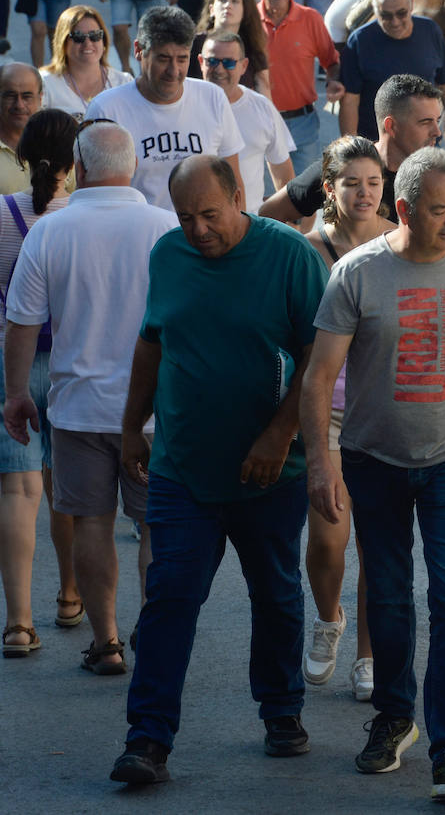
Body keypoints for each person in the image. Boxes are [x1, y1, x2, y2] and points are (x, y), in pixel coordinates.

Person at [109, 155, 328, 785]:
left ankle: (282, 710)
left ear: (239, 195)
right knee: (169, 596)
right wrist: (132, 426)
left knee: (276, 592)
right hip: (182, 468)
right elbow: (153, 342)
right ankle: (147, 739)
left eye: (210, 214)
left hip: (269, 474)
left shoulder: (289, 255)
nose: (198, 229)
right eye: (186, 217)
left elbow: (320, 358)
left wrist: (278, 435)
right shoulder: (168, 255)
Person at [302, 146, 445, 802]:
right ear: (404, 209)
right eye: (439, 210)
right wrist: (321, 465)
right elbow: (318, 378)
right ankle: (393, 718)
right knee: (387, 596)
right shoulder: (357, 274)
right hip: (373, 461)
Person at [2, 119, 177, 667]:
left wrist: (14, 395)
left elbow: (22, 324)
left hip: (77, 409)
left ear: (77, 168)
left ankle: (106, 642)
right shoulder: (164, 228)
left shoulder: (49, 232)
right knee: (153, 526)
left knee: (94, 522)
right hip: (151, 413)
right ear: (133, 167)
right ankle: (156, 640)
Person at [299, 134, 393, 702]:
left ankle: (368, 653)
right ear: (330, 188)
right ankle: (328, 617)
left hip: (386, 412)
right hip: (329, 413)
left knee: (377, 547)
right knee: (329, 539)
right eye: (352, 183)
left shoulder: (400, 243)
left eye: (374, 183)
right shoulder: (306, 249)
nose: (364, 193)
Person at [0, 109, 72, 659]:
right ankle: (74, 596)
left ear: (21, 158)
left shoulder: (3, 215)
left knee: (19, 492)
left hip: (13, 365)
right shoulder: (83, 218)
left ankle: (19, 623)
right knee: (71, 488)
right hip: (76, 364)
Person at [84, 5, 246, 213]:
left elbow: (233, 181)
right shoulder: (106, 110)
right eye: (163, 58)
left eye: (182, 59)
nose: (174, 71)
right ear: (138, 51)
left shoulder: (212, 97)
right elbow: (95, 198)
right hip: (139, 240)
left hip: (204, 241)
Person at [260, 73, 439, 227]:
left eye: (437, 121)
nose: (437, 132)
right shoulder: (346, 165)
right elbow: (270, 212)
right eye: (425, 122)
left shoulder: (441, 176)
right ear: (391, 126)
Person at [339, 0, 445, 165]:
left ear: (412, 5)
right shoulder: (359, 41)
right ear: (375, 11)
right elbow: (350, 101)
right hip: (378, 152)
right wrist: (350, 148)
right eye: (386, 16)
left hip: (426, 147)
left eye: (401, 13)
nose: (395, 22)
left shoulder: (430, 31)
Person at [256, 0, 343, 173]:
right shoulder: (247, 21)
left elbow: (331, 61)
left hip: (302, 124)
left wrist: (332, 81)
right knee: (258, 199)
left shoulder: (310, 19)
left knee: (304, 198)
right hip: (258, 122)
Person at [198, 30, 293, 211]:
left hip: (249, 225)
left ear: (243, 66)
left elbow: (282, 171)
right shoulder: (184, 105)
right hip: (195, 226)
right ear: (201, 62)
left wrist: (292, 217)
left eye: (228, 63)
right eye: (212, 61)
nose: (219, 69)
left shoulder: (262, 107)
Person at [39, 5, 134, 119]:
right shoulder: (45, 84)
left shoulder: (124, 83)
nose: (88, 43)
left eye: (95, 35)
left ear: (103, 41)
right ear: (63, 42)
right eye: (78, 37)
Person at [187, 0, 270, 96]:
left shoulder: (253, 49)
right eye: (222, 0)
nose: (228, 5)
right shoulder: (193, 44)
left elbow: (265, 97)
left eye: (235, 1)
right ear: (212, 9)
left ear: (244, 10)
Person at [0, 61, 42, 192]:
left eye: (27, 96)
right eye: (10, 96)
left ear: (40, 98)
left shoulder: (57, 143)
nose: (19, 105)